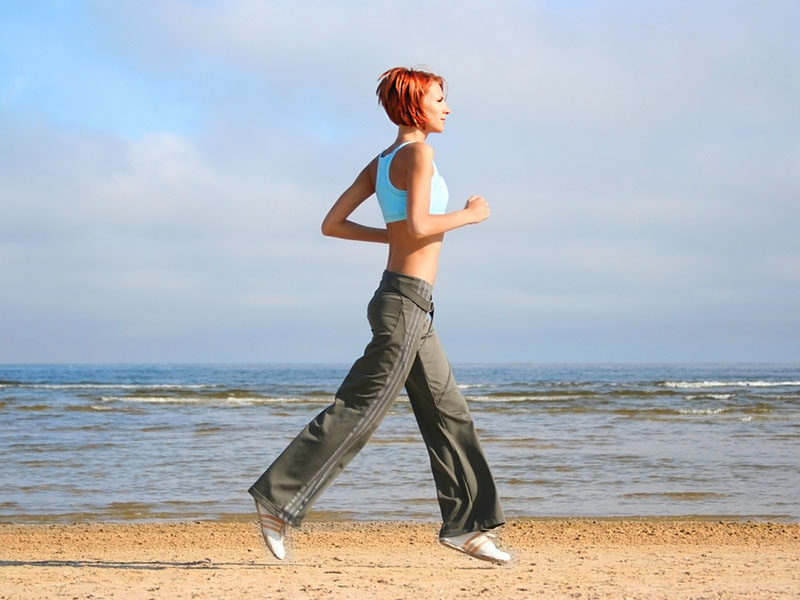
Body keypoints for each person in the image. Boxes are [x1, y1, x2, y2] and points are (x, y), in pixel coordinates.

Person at [249, 66, 510, 564]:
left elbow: (335, 225)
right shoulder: (418, 153)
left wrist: (394, 235)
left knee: (449, 412)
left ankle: (468, 526)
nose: (448, 108)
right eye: (440, 99)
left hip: (407, 302)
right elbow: (417, 224)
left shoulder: (383, 159)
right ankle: (277, 501)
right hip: (404, 302)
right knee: (360, 408)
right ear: (416, 104)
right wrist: (469, 216)